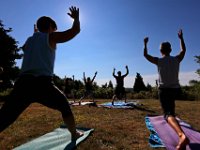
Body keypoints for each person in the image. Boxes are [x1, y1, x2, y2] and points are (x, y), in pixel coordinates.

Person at [0, 6, 83, 140]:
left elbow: (30, 47)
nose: (54, 31)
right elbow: (75, 30)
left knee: (4, 117)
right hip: (42, 84)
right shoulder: (50, 37)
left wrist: (36, 33)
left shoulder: (29, 41)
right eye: (54, 29)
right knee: (64, 106)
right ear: (50, 27)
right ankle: (74, 134)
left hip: (23, 84)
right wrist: (76, 18)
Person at [143, 29, 189, 150]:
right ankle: (174, 123)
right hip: (175, 90)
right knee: (171, 111)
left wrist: (145, 44)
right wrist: (181, 38)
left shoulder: (159, 61)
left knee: (167, 114)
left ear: (161, 50)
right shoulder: (176, 59)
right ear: (170, 50)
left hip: (164, 90)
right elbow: (183, 50)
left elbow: (146, 55)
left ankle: (181, 135)